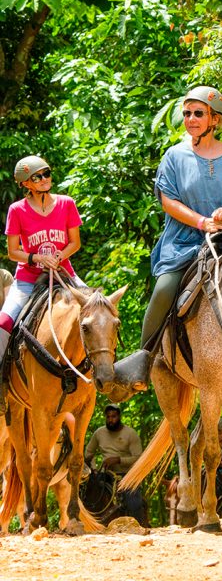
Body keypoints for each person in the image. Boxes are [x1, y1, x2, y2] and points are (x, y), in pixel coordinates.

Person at [112, 86, 222, 394]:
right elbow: (168, 202)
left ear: (215, 120)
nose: (190, 119)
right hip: (186, 241)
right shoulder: (175, 156)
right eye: (187, 113)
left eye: (198, 114)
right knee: (165, 288)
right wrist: (202, 221)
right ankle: (143, 357)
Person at [0, 156, 85, 410]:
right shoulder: (17, 210)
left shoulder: (67, 204)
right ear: (26, 183)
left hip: (65, 275)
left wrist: (60, 255)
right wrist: (36, 257)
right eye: (37, 176)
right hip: (28, 280)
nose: (45, 179)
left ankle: (107, 372)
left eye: (46, 173)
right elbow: (12, 251)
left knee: (99, 309)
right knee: (4, 322)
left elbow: (75, 242)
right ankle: (2, 383)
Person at [84, 403, 145, 524]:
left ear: (119, 417)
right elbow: (88, 453)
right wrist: (94, 469)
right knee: (87, 494)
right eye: (108, 417)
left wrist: (118, 460)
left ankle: (140, 526)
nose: (110, 420)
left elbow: (138, 458)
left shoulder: (130, 434)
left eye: (114, 416)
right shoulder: (99, 433)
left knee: (134, 502)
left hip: (127, 475)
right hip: (105, 474)